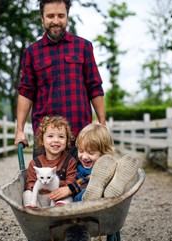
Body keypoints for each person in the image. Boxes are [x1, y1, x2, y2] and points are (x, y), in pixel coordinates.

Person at [15, 0, 106, 158]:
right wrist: (20, 130)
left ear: (67, 17)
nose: (55, 21)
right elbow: (26, 92)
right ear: (42, 18)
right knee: (43, 182)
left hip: (80, 136)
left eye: (60, 16)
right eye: (50, 16)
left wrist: (103, 124)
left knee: (80, 182)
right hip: (45, 138)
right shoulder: (31, 53)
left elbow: (95, 87)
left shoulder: (83, 47)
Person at [48, 123, 141, 203]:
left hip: (101, 194)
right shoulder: (77, 167)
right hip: (82, 199)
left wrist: (71, 188)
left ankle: (114, 187)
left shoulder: (106, 168)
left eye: (91, 153)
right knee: (88, 189)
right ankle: (96, 195)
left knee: (107, 174)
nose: (84, 157)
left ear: (104, 152)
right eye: (81, 151)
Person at [23, 115, 77, 208]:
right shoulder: (35, 163)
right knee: (27, 193)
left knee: (69, 196)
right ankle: (34, 211)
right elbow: (30, 184)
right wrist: (41, 187)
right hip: (40, 199)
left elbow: (71, 181)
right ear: (42, 141)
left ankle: (59, 210)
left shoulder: (69, 161)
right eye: (50, 136)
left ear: (67, 141)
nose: (56, 140)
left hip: (59, 196)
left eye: (61, 137)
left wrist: (58, 186)